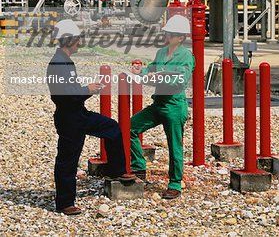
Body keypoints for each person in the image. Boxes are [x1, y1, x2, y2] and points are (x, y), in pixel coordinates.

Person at [47, 19, 135, 215]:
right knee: (68, 160)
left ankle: (115, 169)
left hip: (77, 114)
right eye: (77, 39)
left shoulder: (64, 60)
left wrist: (86, 89)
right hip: (70, 117)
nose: (80, 42)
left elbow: (69, 91)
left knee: (111, 128)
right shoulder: (59, 63)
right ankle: (64, 203)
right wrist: (89, 89)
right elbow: (66, 95)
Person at [130, 15, 195, 200]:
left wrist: (161, 77)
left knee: (175, 146)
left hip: (174, 105)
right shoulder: (161, 52)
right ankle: (138, 166)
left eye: (171, 33)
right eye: (166, 32)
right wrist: (139, 72)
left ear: (180, 37)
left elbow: (181, 80)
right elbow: (151, 69)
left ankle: (175, 184)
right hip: (159, 103)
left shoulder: (186, 56)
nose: (167, 35)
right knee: (129, 128)